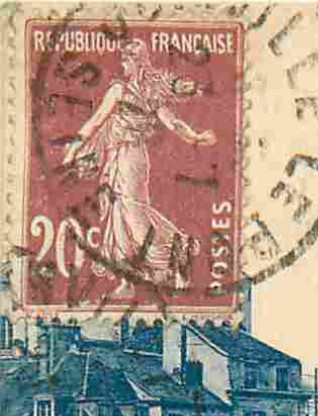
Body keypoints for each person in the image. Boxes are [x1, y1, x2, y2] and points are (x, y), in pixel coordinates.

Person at [61, 41, 217, 297]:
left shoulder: (127, 91)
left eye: (126, 60)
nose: (122, 65)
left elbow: (96, 122)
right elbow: (97, 123)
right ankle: (127, 280)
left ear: (136, 62)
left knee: (134, 216)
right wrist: (72, 152)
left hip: (130, 158)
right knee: (117, 215)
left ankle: (174, 251)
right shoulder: (129, 90)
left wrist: (196, 138)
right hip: (118, 157)